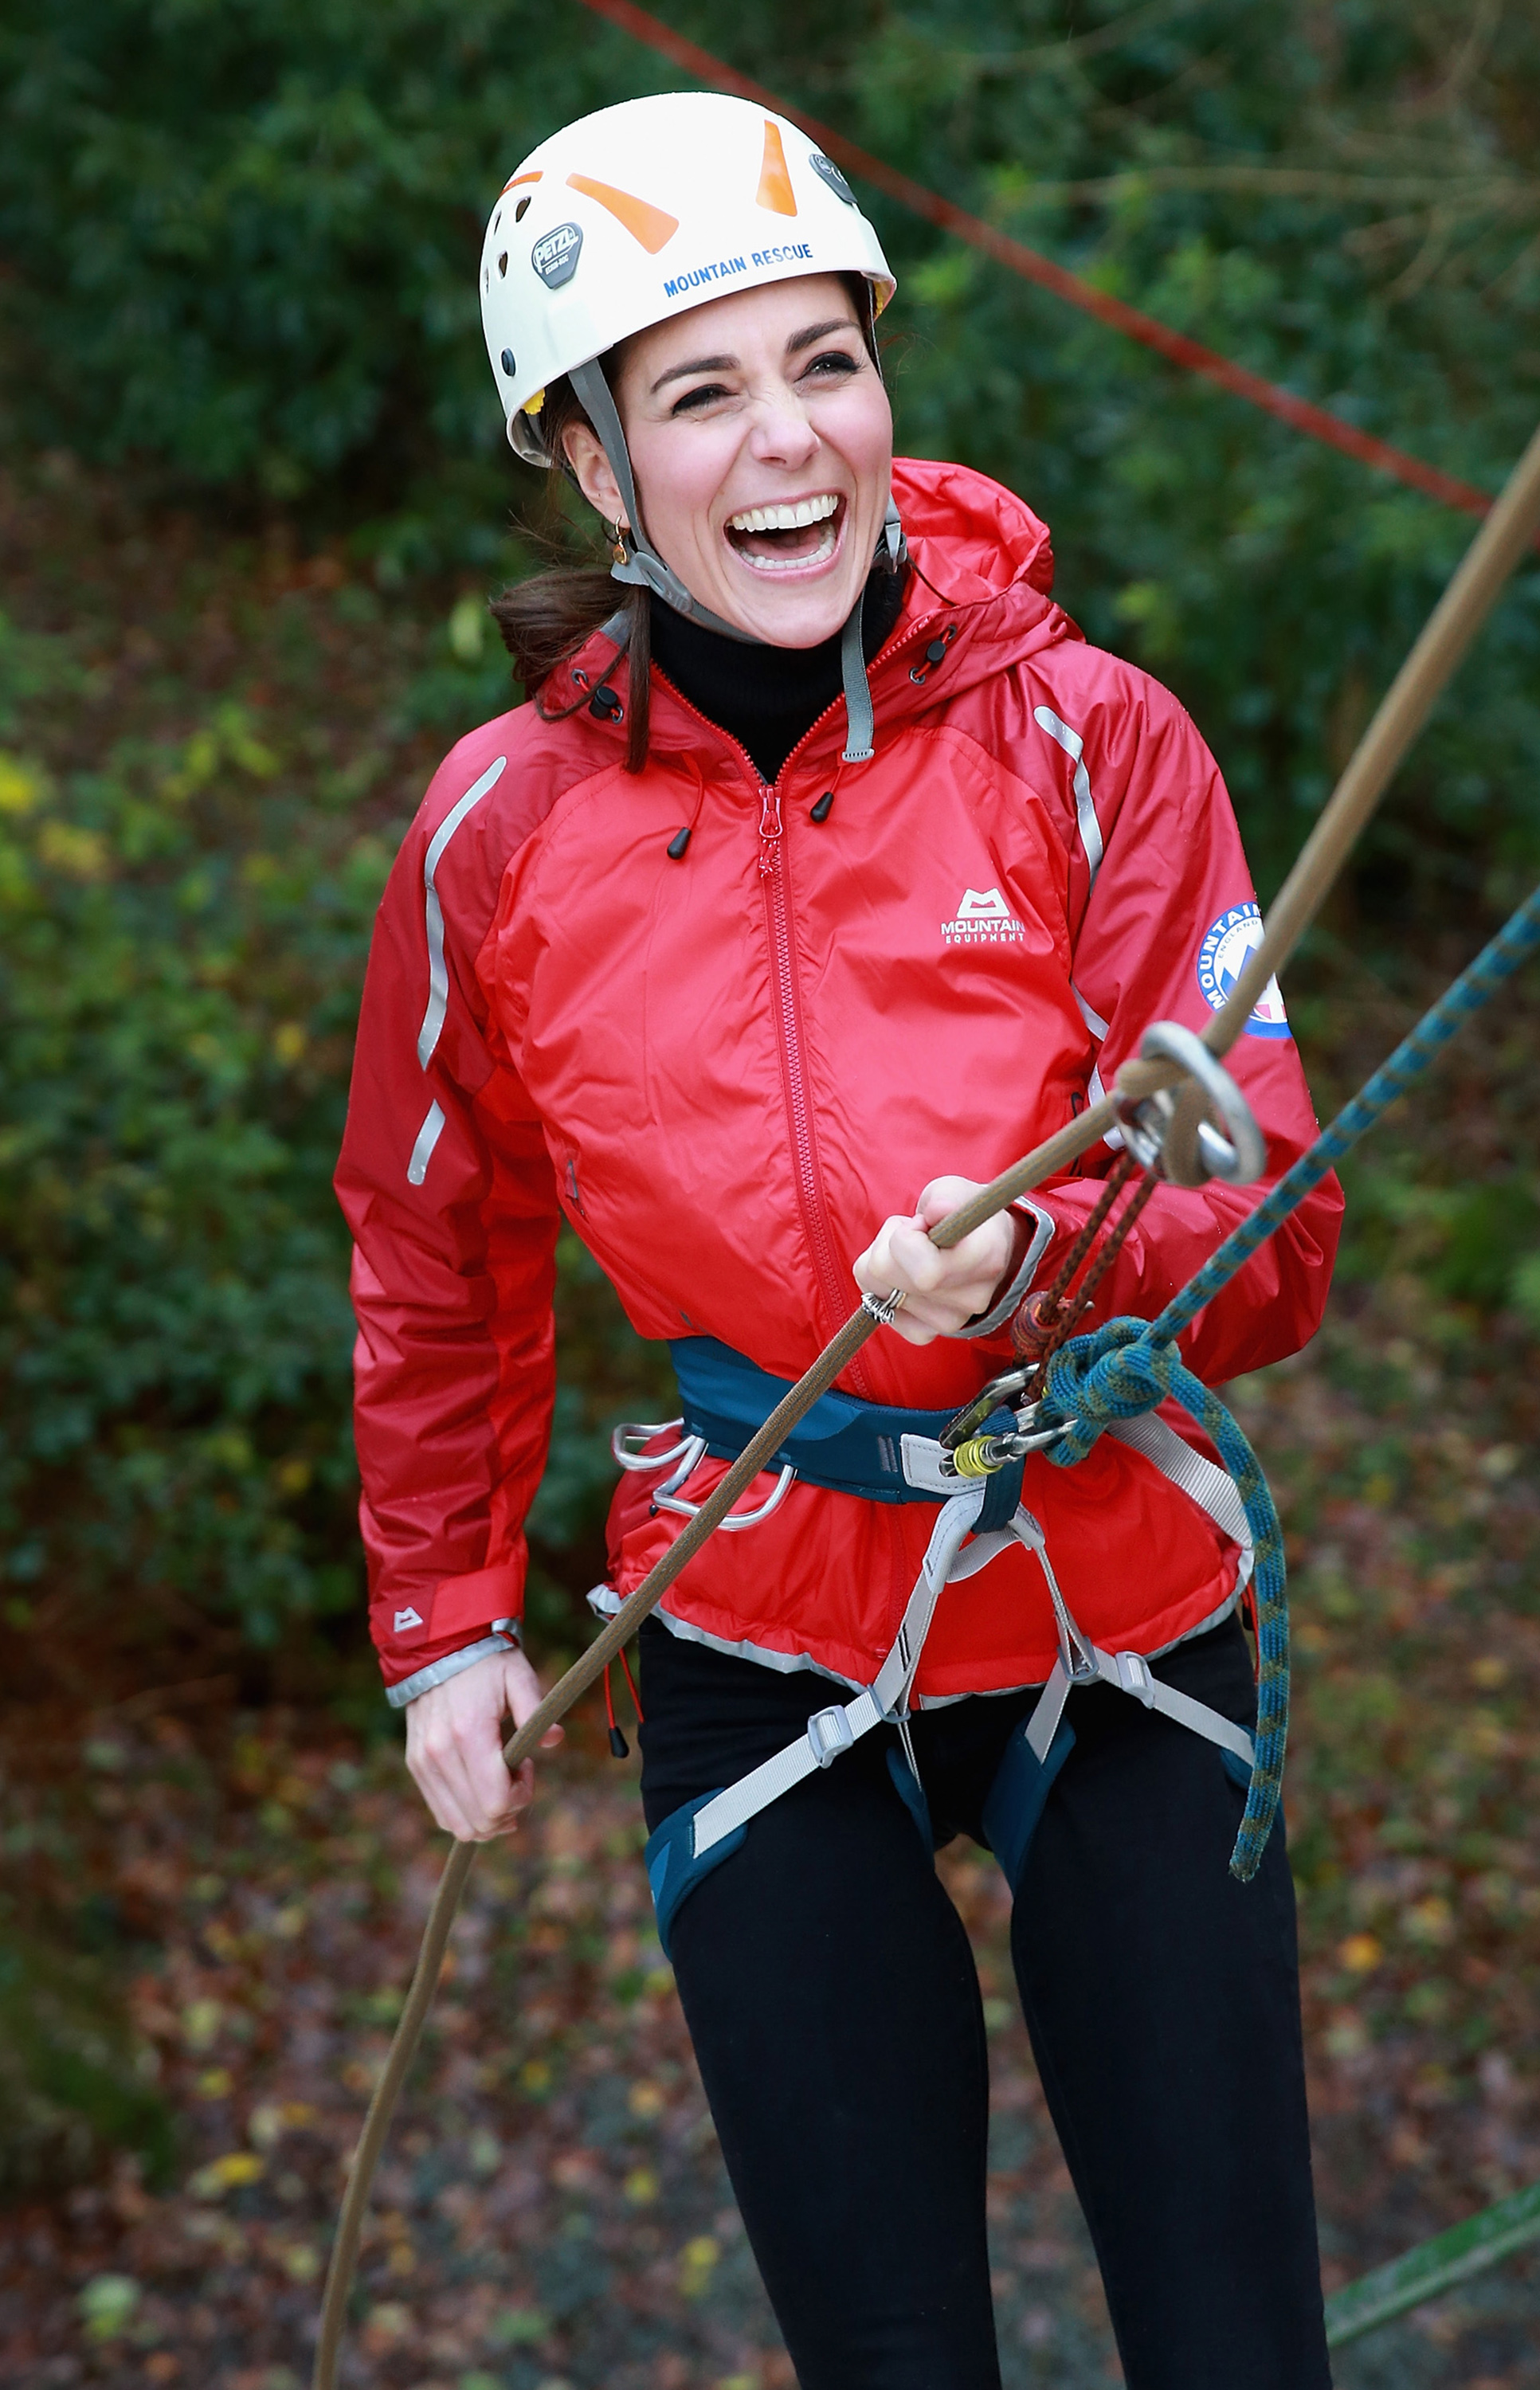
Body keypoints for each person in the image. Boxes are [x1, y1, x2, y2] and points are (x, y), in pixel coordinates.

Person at [335, 90, 1344, 2390]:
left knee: (1234, 2349)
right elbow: (433, 1230)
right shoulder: (496, 832)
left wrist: (1051, 1263)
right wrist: (441, 1620)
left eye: (827, 364)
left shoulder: (1096, 744)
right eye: (701, 392)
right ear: (594, 466)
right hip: (754, 1621)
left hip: (1116, 1602)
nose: (788, 442)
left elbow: (1281, 1229)